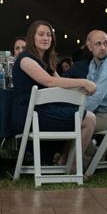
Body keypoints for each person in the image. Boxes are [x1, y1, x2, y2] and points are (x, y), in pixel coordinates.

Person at [9, 20, 97, 166]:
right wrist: (83, 82)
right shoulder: (25, 59)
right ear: (32, 37)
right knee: (88, 119)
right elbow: (49, 82)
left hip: (43, 112)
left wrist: (79, 90)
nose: (45, 38)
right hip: (29, 116)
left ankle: (64, 163)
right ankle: (72, 168)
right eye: (41, 34)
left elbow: (60, 82)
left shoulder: (45, 61)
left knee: (81, 115)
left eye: (49, 35)